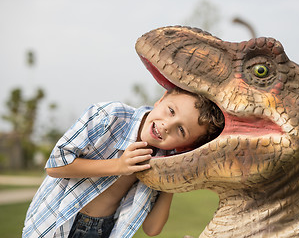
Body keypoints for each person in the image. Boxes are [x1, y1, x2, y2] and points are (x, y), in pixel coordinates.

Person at [23, 87, 224, 238]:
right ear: (161, 99)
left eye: (181, 131)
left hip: (101, 230)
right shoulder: (110, 116)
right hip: (55, 221)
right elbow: (55, 167)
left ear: (187, 146)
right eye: (171, 111)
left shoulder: (165, 159)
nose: (166, 126)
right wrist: (119, 166)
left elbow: (152, 229)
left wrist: (171, 179)